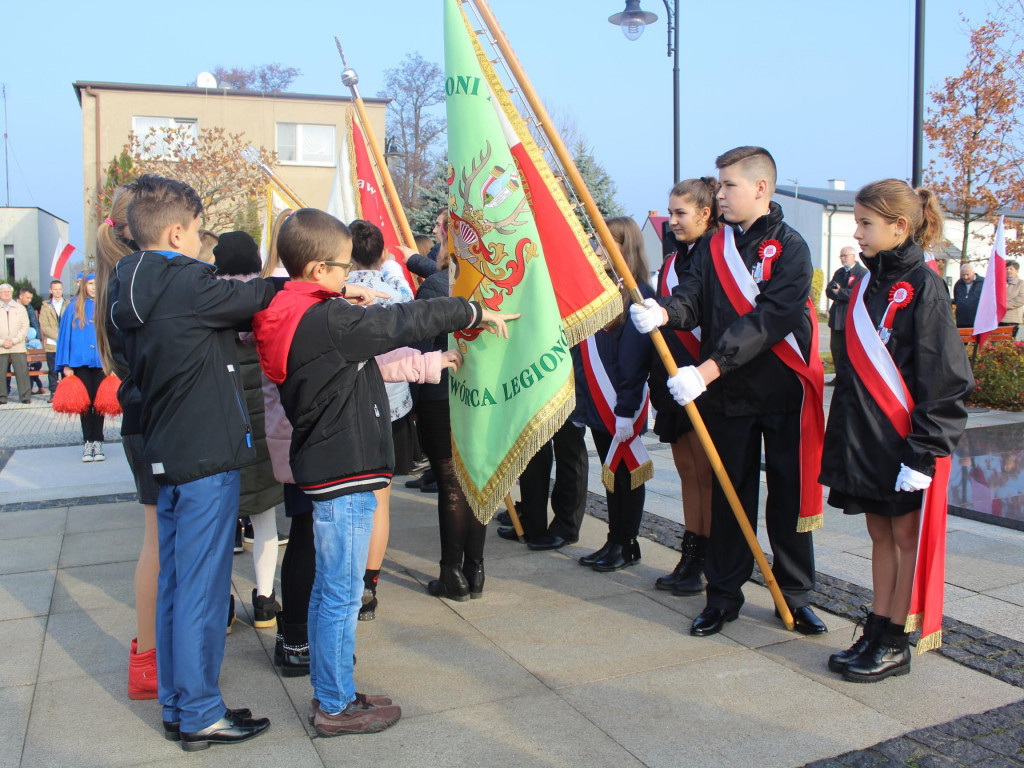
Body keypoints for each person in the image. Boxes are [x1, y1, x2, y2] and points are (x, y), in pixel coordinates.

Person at [251, 207, 513, 736]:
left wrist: (345, 301)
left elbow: (373, 338)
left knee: (335, 588)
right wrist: (468, 311)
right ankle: (334, 704)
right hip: (342, 469)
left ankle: (336, 690)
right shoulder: (326, 322)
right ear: (317, 269)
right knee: (341, 593)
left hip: (332, 465)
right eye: (343, 269)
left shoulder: (303, 311)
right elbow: (402, 322)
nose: (350, 278)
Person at [109, 174, 280, 751]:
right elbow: (256, 297)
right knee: (203, 590)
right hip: (206, 453)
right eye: (199, 232)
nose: (203, 243)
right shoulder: (185, 280)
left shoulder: (123, 282)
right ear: (178, 231)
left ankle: (179, 705)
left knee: (177, 584)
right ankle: (202, 711)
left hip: (164, 450)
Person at [630, 146, 827, 637]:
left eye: (728, 186)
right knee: (728, 494)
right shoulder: (716, 247)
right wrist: (666, 313)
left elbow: (772, 319)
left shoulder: (792, 246)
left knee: (787, 495)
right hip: (728, 397)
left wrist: (711, 366)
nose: (719, 194)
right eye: (718, 185)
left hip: (780, 392)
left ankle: (795, 594)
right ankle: (723, 594)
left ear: (760, 188)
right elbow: (693, 296)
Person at [820, 179, 972, 682]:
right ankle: (877, 626)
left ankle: (896, 641)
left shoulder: (925, 286)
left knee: (905, 539)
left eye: (866, 223)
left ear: (899, 226)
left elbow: (943, 377)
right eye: (857, 222)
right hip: (867, 437)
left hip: (904, 442)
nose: (857, 232)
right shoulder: (866, 282)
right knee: (879, 534)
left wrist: (924, 454)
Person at [212, 231, 285, 631]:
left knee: (221, 523)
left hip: (221, 422)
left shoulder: (209, 301)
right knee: (266, 518)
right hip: (262, 421)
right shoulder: (264, 298)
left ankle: (222, 606)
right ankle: (264, 601)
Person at [650, 178, 719, 595]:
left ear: (705, 213)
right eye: (671, 212)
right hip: (674, 374)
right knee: (687, 472)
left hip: (702, 374)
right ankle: (690, 553)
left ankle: (705, 558)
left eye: (681, 213)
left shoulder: (714, 255)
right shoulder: (675, 257)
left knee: (705, 474)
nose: (672, 220)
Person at [575, 217, 654, 571]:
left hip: (622, 404)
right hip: (598, 402)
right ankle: (615, 539)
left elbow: (633, 360)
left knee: (626, 475)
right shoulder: (601, 291)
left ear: (628, 247)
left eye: (608, 242)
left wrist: (625, 407)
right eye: (596, 241)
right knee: (611, 476)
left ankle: (627, 542)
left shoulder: (639, 294)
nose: (598, 249)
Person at [56, 272, 107, 461]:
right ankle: (88, 441)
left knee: (99, 404)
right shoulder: (73, 306)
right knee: (85, 405)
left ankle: (99, 441)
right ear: (83, 285)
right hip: (80, 363)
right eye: (90, 283)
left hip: (101, 362)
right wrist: (66, 364)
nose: (94, 287)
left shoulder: (104, 304)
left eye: (96, 283)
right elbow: (64, 337)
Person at [826, 246, 868, 377]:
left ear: (853, 256)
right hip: (837, 317)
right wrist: (837, 293)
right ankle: (838, 376)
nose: (843, 259)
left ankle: (847, 377)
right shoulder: (839, 273)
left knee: (849, 350)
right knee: (835, 348)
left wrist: (840, 292)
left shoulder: (862, 273)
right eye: (841, 256)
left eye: (845, 255)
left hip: (850, 317)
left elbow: (858, 293)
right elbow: (829, 291)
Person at [0, 283, 30, 404]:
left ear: (12, 293)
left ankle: (25, 396)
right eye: (3, 292)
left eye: (8, 292)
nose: (6, 294)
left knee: (22, 372)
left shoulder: (20, 308)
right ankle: (2, 397)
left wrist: (14, 340)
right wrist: (2, 342)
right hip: (1, 347)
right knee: (0, 373)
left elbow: (24, 326)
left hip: (17, 345)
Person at [39, 280, 66, 402]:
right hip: (52, 344)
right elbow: (44, 326)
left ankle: (67, 393)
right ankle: (54, 392)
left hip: (66, 344)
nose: (58, 291)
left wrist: (65, 337)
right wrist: (58, 336)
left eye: (60, 289)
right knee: (53, 370)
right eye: (55, 289)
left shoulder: (68, 304)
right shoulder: (46, 306)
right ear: (51, 291)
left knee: (66, 370)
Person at [18, 288, 43, 394]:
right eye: (27, 298)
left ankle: (30, 390)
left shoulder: (29, 308)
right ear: (20, 296)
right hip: (15, 340)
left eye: (30, 298)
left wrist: (38, 337)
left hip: (28, 337)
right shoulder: (13, 306)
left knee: (32, 368)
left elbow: (34, 322)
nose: (29, 300)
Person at [952, 263, 984, 329]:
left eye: (967, 274)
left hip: (977, 321)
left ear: (973, 273)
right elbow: (956, 298)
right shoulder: (958, 284)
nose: (965, 277)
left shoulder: (983, 283)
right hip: (961, 321)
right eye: (963, 275)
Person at [1002, 260, 1023, 338]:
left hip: (1012, 319)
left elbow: (1020, 300)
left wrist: (1003, 305)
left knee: (1008, 344)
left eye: (1011, 269)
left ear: (1017, 271)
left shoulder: (1021, 284)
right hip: (999, 319)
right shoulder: (1001, 283)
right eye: (1007, 269)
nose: (1008, 271)